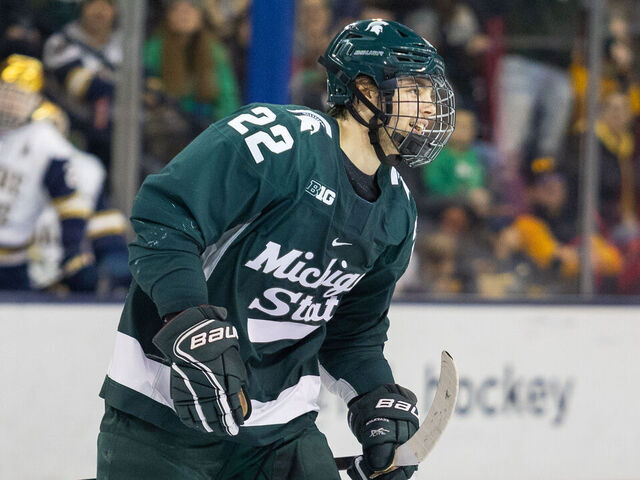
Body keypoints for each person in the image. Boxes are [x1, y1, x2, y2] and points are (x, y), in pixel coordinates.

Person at [97, 19, 455, 480]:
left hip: (282, 432)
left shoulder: (398, 212)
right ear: (366, 90)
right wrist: (188, 322)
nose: (429, 110)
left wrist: (372, 396)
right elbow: (166, 216)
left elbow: (352, 333)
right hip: (163, 412)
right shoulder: (279, 142)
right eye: (416, 92)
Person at [0, 68, 93, 290]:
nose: (11, 103)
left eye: (19, 96)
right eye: (6, 94)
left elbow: (70, 203)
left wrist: (71, 248)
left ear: (36, 102)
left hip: (12, 260)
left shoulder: (44, 140)